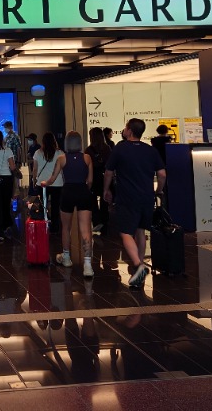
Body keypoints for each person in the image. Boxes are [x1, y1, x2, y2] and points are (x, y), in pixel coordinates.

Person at [103, 118, 167, 289]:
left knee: (125, 232)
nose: (123, 130)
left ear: (129, 130)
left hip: (127, 197)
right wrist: (158, 191)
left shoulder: (120, 148)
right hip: (147, 197)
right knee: (140, 231)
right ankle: (138, 268)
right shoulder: (150, 150)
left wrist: (106, 189)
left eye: (125, 127)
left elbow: (108, 172)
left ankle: (138, 265)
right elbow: (162, 174)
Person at [40, 131, 97, 278]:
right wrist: (85, 189)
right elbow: (90, 180)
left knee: (66, 227)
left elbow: (53, 178)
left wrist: (45, 183)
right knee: (86, 229)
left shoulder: (61, 158)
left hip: (68, 192)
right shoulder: (87, 158)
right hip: (83, 191)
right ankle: (87, 265)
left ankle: (66, 257)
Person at [32, 132, 64, 231]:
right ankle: (55, 226)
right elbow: (62, 170)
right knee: (55, 205)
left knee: (43, 205)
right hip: (57, 183)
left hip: (42, 183)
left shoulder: (37, 153)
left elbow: (35, 169)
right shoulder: (60, 153)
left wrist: (34, 180)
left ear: (43, 141)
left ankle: (43, 224)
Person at [85, 127, 111, 233]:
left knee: (93, 200)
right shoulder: (107, 148)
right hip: (105, 176)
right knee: (105, 200)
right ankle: (105, 221)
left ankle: (96, 221)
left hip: (93, 176)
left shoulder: (88, 150)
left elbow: (86, 165)